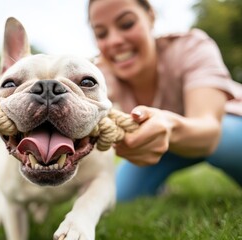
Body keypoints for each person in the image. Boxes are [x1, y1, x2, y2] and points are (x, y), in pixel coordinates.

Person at [88, 0, 242, 201]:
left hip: (226, 129)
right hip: (168, 148)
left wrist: (170, 126)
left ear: (150, 16)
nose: (115, 41)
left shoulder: (191, 46)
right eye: (101, 34)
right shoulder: (102, 74)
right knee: (119, 196)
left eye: (126, 24)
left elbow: (210, 130)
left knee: (223, 139)